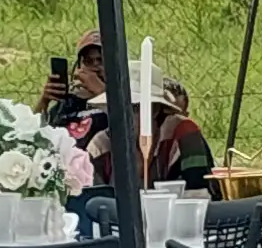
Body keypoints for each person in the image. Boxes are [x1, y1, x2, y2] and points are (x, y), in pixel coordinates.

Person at [62, 36, 212, 192]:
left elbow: (198, 194)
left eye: (134, 108)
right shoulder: (101, 146)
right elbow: (94, 202)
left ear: (154, 110)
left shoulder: (183, 133)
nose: (123, 118)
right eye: (116, 109)